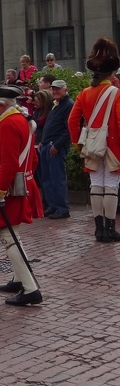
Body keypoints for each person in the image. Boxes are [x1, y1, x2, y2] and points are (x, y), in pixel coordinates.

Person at [0, 83, 43, 306]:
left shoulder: (8, 124)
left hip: (8, 190)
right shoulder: (19, 120)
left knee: (9, 237)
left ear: (1, 103)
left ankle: (30, 288)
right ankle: (19, 279)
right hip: (18, 185)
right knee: (13, 235)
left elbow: (9, 163)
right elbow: (32, 160)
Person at [68, 38, 120, 242]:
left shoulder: (84, 92)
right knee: (111, 186)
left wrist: (78, 144)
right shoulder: (116, 93)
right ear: (112, 72)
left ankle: (99, 229)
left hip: (91, 144)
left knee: (96, 184)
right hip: (113, 145)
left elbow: (72, 121)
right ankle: (110, 228)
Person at [37, 81, 72, 219]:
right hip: (47, 145)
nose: (55, 92)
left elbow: (68, 128)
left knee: (57, 178)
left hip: (55, 146)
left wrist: (57, 145)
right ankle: (52, 206)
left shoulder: (68, 105)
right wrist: (43, 142)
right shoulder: (56, 104)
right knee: (47, 179)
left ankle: (61, 208)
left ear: (65, 89)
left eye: (58, 89)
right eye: (53, 89)